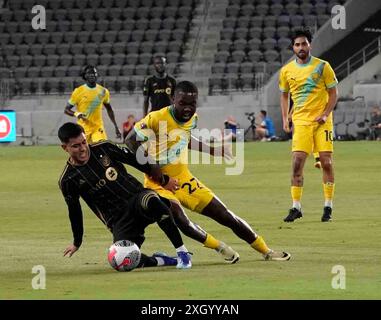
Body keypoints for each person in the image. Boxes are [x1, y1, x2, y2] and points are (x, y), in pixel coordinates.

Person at [126, 80, 291, 261]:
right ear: (172, 99)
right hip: (157, 183)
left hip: (183, 179)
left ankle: (265, 250)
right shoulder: (156, 118)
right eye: (183, 103)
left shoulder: (192, 119)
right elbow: (130, 140)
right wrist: (156, 170)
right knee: (180, 219)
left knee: (225, 214)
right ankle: (219, 247)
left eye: (192, 104)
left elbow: (184, 139)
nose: (188, 108)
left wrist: (214, 150)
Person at [58, 122, 184, 271]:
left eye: (84, 142)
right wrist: (77, 242)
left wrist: (163, 180)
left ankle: (182, 253)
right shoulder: (68, 180)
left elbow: (135, 161)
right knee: (121, 260)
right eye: (76, 146)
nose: (83, 148)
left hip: (136, 198)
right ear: (65, 148)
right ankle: (160, 260)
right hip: (118, 219)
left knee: (152, 201)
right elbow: (75, 211)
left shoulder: (104, 148)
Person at [279, 29, 338, 223]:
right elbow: (284, 95)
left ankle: (328, 206)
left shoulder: (323, 66)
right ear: (293, 48)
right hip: (301, 121)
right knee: (296, 164)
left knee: (326, 162)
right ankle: (296, 207)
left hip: (323, 122)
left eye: (304, 44)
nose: (301, 48)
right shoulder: (287, 70)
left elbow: (333, 94)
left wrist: (325, 114)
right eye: (297, 45)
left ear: (309, 45)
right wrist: (285, 117)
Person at [64, 65, 122, 143]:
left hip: (97, 127)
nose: (92, 75)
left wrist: (116, 126)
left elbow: (109, 109)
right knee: (84, 152)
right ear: (85, 75)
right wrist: (77, 114)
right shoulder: (78, 91)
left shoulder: (103, 91)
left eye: (94, 73)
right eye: (89, 73)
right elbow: (66, 110)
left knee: (102, 148)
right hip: (83, 128)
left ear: (97, 75)